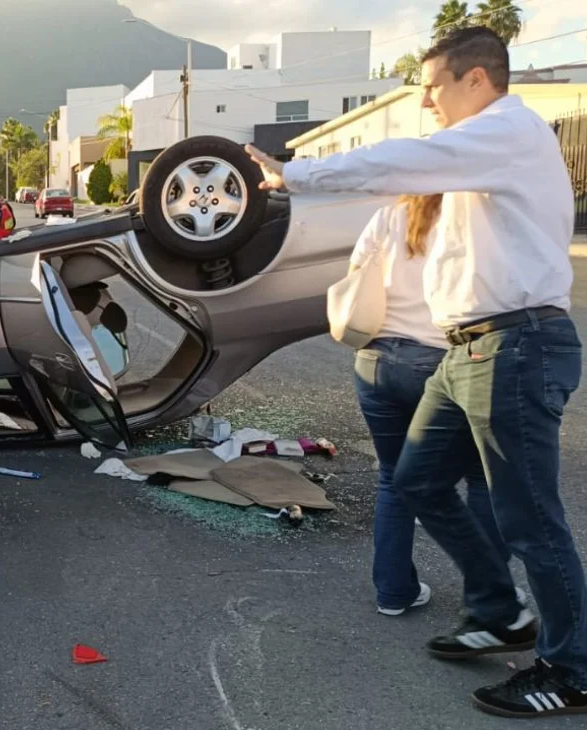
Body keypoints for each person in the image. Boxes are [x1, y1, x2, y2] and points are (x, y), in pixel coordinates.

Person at [246, 26, 586, 718]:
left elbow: (402, 162)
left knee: (531, 520)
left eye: (432, 88)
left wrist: (294, 172)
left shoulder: (508, 131)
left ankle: (572, 667)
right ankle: (500, 609)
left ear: (477, 80)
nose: (426, 103)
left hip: (515, 347)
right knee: (418, 480)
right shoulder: (479, 158)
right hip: (466, 351)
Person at [349, 197, 518, 616]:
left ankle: (393, 591)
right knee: (480, 478)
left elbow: (354, 274)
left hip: (376, 359)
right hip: (442, 361)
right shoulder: (471, 216)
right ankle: (485, 605)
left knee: (393, 478)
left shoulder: (389, 214)